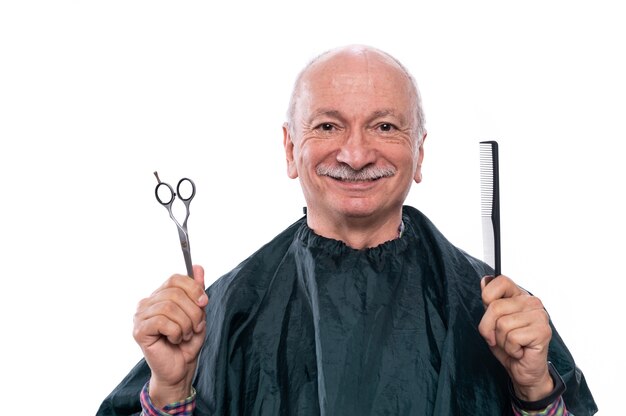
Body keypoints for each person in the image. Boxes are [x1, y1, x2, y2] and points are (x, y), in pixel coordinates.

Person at [98, 45, 597, 415]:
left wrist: (534, 392)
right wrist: (170, 393)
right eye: (328, 126)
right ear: (290, 150)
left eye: (384, 127)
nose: (355, 155)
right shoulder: (227, 312)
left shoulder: (495, 309)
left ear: (419, 153)